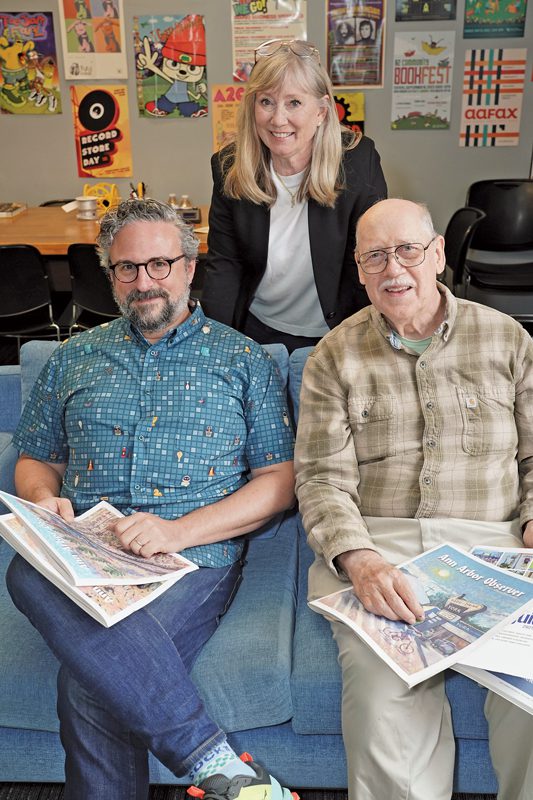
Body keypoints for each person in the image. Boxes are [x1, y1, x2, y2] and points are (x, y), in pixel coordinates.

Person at [6, 199, 296, 800]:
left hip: (193, 559)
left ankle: (212, 761)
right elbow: (36, 458)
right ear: (110, 276)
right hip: (88, 549)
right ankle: (215, 760)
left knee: (90, 686)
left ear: (190, 267)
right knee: (26, 572)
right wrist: (45, 499)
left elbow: (280, 480)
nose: (144, 281)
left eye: (160, 264)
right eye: (127, 268)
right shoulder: (72, 357)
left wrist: (178, 532)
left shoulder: (242, 360)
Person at [295, 198, 533, 800]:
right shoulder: (333, 356)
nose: (393, 268)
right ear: (358, 268)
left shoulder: (508, 339)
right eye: (375, 256)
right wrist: (358, 557)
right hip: (383, 549)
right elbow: (321, 478)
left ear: (438, 256)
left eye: (408, 250)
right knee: (382, 704)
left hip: (494, 548)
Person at [201, 38, 387, 353]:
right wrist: (211, 345)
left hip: (338, 331)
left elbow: (373, 259)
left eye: (294, 103)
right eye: (266, 102)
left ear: (321, 111)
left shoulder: (358, 160)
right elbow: (225, 265)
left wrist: (370, 345)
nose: (278, 119)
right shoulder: (229, 166)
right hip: (257, 329)